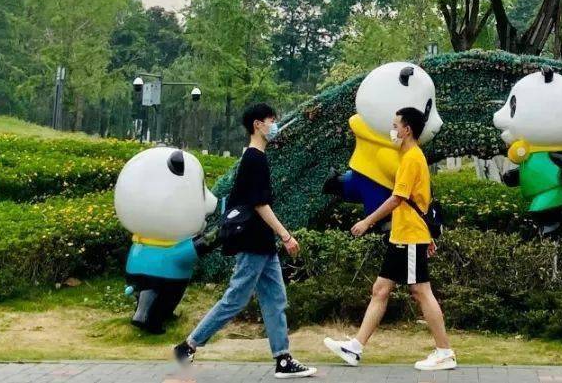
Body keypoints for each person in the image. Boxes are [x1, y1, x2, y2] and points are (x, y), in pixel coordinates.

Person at [173, 103, 315, 379]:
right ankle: (188, 346)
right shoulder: (253, 159)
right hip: (253, 241)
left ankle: (283, 359)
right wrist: (285, 235)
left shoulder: (257, 157)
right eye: (271, 120)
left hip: (262, 243)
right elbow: (259, 203)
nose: (275, 125)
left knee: (275, 299)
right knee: (235, 299)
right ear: (257, 125)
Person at [323, 106, 456, 372]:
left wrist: (366, 221)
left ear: (407, 129)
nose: (392, 130)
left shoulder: (411, 158)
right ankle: (356, 347)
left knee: (420, 291)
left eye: (395, 125)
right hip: (405, 235)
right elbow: (421, 200)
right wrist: (427, 235)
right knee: (380, 290)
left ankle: (445, 352)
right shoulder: (410, 156)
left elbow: (398, 199)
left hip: (408, 236)